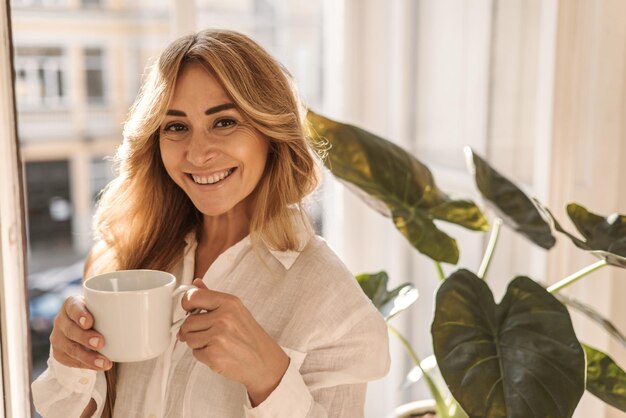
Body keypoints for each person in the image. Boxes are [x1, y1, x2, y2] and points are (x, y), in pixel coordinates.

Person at [31, 29, 390, 418]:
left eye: (224, 122)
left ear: (271, 133)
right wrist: (72, 362)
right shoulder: (122, 261)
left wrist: (268, 375)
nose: (198, 154)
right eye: (176, 126)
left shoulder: (330, 300)